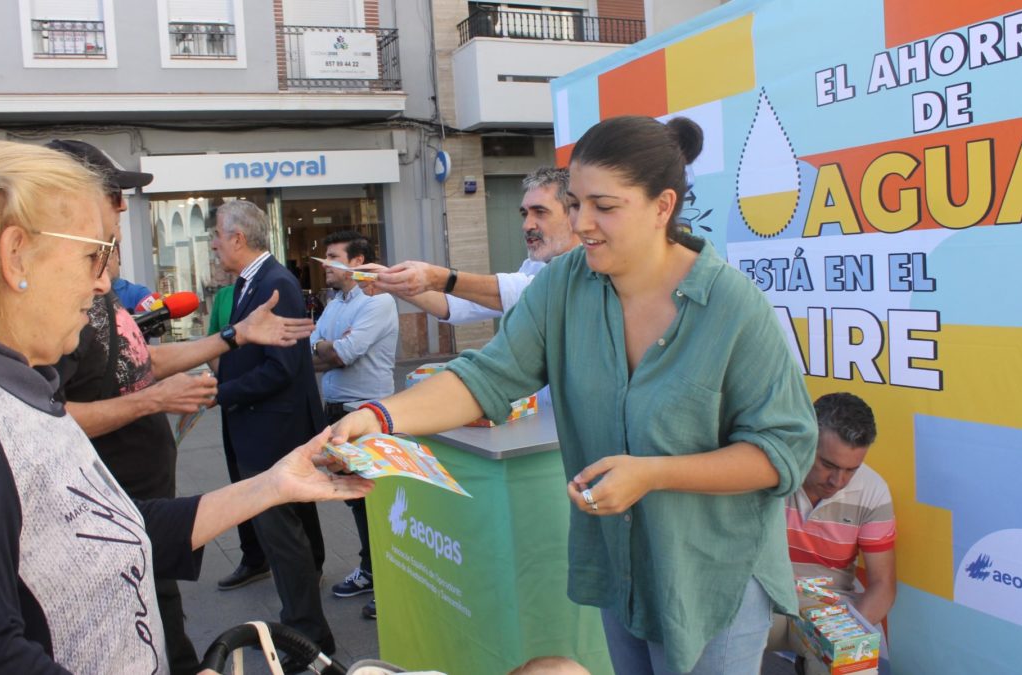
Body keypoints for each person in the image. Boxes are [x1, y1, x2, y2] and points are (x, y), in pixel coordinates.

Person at [332, 115, 817, 675]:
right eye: (576, 202)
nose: (581, 223)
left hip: (713, 574)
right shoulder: (565, 284)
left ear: (663, 207)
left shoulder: (732, 306)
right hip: (624, 565)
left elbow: (783, 451)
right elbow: (488, 376)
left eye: (604, 207)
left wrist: (654, 473)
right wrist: (380, 416)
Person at [0, 140, 371, 674]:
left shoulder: (21, 384)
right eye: (93, 253)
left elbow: (113, 525)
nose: (104, 282)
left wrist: (274, 484)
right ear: (14, 256)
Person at [48, 139, 308, 674]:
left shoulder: (97, 290)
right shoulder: (52, 302)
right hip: (113, 512)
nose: (123, 207)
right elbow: (44, 414)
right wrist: (154, 401)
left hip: (148, 508)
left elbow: (139, 360)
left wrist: (232, 337)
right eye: (113, 194)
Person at [211, 199, 336, 656]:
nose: (213, 246)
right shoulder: (254, 282)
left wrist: (221, 393)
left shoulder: (275, 283)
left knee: (284, 542)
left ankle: (306, 641)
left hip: (273, 435)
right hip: (263, 429)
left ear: (238, 239)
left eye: (217, 237)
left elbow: (281, 368)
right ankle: (305, 626)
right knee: (292, 537)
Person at [311, 231, 399, 620]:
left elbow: (344, 354)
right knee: (355, 500)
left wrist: (330, 348)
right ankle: (370, 570)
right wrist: (326, 348)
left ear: (357, 262)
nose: (325, 264)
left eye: (333, 257)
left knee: (375, 502)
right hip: (336, 412)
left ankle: (391, 582)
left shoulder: (378, 302)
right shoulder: (334, 304)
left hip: (367, 416)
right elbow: (310, 351)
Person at [774, 392, 896, 671]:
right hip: (761, 598)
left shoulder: (873, 490)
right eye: (828, 464)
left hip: (828, 607)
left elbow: (883, 585)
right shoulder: (770, 468)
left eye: (851, 469)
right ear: (805, 440)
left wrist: (845, 636)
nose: (837, 481)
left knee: (856, 665)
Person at [365, 167, 576, 323]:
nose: (526, 225)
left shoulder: (591, 270)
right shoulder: (534, 266)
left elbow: (527, 293)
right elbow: (458, 305)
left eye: (540, 212)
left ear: (574, 215)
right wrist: (390, 280)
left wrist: (437, 277)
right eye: (524, 214)